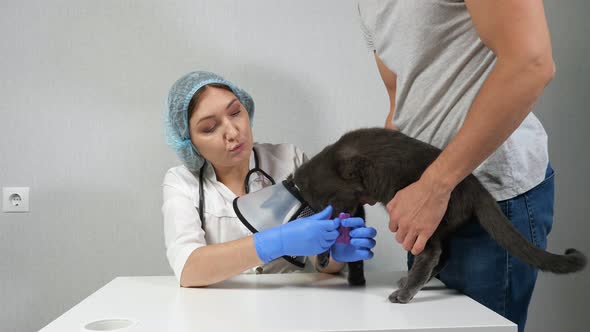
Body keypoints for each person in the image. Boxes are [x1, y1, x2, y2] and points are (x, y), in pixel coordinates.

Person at [357, 1, 555, 331]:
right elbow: (403, 100)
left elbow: (531, 65)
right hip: (429, 204)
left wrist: (434, 185)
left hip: (488, 197)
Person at [162, 71, 377, 287]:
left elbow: (321, 262)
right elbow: (189, 270)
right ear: (189, 142)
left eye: (236, 112)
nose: (233, 132)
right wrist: (277, 241)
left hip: (288, 307)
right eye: (210, 128)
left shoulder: (289, 160)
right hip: (217, 312)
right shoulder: (181, 182)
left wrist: (334, 254)